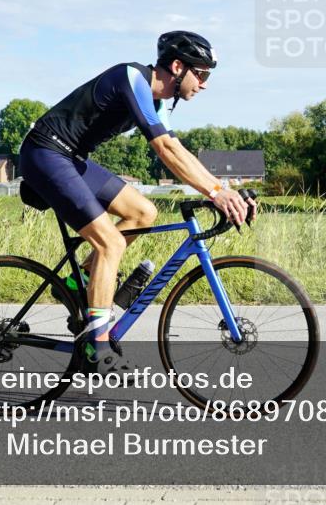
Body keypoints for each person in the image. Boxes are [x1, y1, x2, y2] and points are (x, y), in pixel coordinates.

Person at [18, 31, 256, 372]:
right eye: (201, 73)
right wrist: (218, 194)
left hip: (70, 158)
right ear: (177, 66)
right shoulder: (132, 78)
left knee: (144, 211)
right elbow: (165, 149)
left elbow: (179, 151)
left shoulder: (159, 102)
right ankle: (97, 346)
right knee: (110, 244)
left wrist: (222, 188)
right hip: (45, 152)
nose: (204, 84)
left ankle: (78, 283)